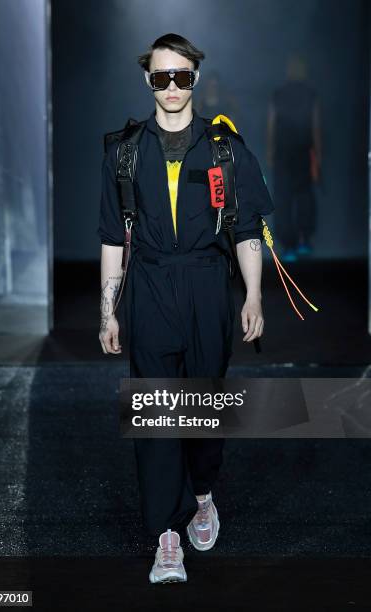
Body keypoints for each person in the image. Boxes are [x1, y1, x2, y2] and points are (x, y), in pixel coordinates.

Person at [98, 33, 274, 584]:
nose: (171, 87)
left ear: (195, 77)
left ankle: (202, 494)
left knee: (202, 404)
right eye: (160, 77)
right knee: (155, 414)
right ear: (148, 81)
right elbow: (111, 237)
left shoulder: (226, 149)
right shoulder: (124, 151)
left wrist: (254, 294)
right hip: (149, 285)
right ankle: (166, 536)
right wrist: (109, 310)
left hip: (205, 287)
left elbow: (247, 230)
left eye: (181, 76)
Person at [267, 54, 322, 261]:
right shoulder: (306, 94)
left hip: (293, 153)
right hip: (295, 153)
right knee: (298, 198)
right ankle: (299, 243)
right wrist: (318, 154)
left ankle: (295, 244)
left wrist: (271, 151)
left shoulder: (283, 94)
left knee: (292, 199)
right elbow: (315, 125)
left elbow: (271, 124)